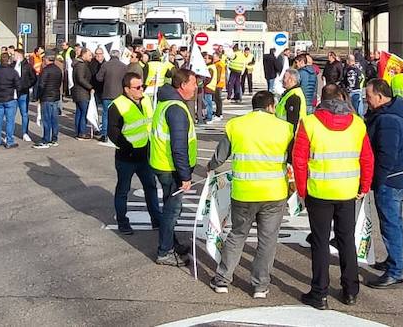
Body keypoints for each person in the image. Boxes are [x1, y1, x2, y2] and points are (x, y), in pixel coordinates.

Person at [293, 84, 373, 310]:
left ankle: (319, 293)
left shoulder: (309, 123)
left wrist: (301, 190)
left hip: (318, 190)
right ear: (342, 97)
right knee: (346, 239)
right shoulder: (357, 123)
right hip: (347, 190)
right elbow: (367, 158)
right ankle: (351, 290)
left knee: (320, 242)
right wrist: (364, 185)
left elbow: (299, 160)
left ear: (321, 99)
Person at [207, 90, 292, 298]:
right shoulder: (286, 128)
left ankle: (222, 279)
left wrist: (210, 169)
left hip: (244, 192)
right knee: (267, 240)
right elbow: (292, 158)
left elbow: (219, 157)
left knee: (237, 235)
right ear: (271, 106)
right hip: (274, 192)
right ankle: (260, 286)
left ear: (253, 106)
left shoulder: (236, 125)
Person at [362, 79, 403, 289]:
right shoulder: (391, 115)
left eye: (369, 96)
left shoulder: (388, 120)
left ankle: (395, 271)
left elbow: (386, 156)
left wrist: (375, 181)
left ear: (381, 97)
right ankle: (395, 261)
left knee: (390, 223)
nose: (367, 100)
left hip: (391, 179)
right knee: (393, 222)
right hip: (396, 177)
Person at [149, 68, 200, 266]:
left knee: (171, 209)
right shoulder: (176, 108)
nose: (196, 87)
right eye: (193, 83)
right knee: (172, 211)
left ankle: (172, 243)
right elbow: (178, 147)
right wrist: (185, 176)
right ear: (182, 85)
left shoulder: (168, 103)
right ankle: (164, 252)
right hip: (170, 168)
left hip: (163, 165)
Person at [108, 73, 162, 235]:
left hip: (145, 155)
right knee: (123, 189)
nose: (141, 90)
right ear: (127, 89)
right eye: (137, 87)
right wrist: (128, 148)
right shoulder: (117, 105)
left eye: (142, 86)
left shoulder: (145, 100)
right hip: (126, 158)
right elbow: (113, 132)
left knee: (151, 187)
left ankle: (156, 219)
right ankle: (123, 222)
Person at [95, 49, 128, 143]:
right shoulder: (124, 66)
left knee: (105, 114)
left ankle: (104, 134)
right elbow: (126, 80)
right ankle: (118, 134)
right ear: (119, 55)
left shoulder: (105, 65)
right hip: (119, 95)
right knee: (118, 115)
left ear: (110, 55)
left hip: (107, 93)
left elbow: (99, 78)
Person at [0, 52, 20, 148]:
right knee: (10, 121)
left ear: (0, 60)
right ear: (8, 60)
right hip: (9, 98)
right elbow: (18, 86)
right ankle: (9, 141)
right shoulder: (13, 72)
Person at [34, 56, 64, 148]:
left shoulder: (45, 70)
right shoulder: (58, 70)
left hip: (46, 97)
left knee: (46, 119)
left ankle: (46, 140)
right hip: (55, 96)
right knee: (54, 119)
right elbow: (60, 82)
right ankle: (54, 139)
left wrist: (38, 96)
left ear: (46, 60)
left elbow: (41, 85)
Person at [71, 49, 95, 140]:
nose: (91, 57)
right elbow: (80, 79)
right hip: (82, 92)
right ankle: (82, 133)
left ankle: (78, 132)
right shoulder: (81, 65)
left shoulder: (79, 64)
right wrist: (90, 87)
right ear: (84, 55)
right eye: (89, 55)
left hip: (78, 92)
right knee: (83, 113)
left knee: (79, 112)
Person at [15, 47, 37, 142]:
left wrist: (26, 86)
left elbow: (33, 79)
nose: (13, 57)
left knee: (24, 113)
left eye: (15, 55)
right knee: (11, 114)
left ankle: (25, 133)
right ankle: (10, 133)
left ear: (20, 55)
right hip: (13, 93)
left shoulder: (27, 66)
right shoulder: (12, 65)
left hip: (24, 93)